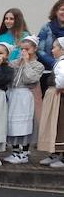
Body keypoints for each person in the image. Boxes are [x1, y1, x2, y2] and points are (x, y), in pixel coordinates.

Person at [5, 37, 45, 164]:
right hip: (13, 94)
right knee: (13, 124)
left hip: (25, 96)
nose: (23, 51)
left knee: (25, 124)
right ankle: (15, 151)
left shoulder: (38, 65)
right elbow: (8, 73)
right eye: (22, 49)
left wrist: (27, 62)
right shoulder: (16, 63)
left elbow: (30, 79)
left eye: (27, 49)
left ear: (34, 49)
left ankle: (24, 152)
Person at [37, 37, 64, 168]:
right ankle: (54, 153)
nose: (52, 50)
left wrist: (59, 87)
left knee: (59, 124)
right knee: (53, 124)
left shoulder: (62, 63)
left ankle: (61, 156)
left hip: (58, 96)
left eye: (55, 47)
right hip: (54, 95)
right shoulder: (59, 62)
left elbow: (62, 79)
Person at [37, 0, 64, 71]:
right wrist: (54, 63)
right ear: (56, 11)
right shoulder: (46, 28)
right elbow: (39, 50)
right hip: (48, 70)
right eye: (62, 9)